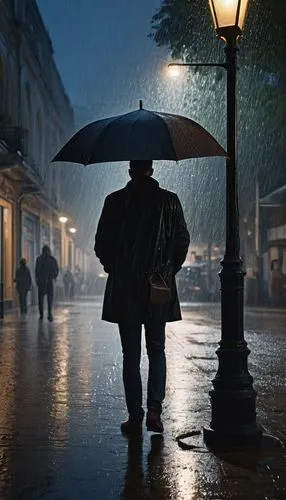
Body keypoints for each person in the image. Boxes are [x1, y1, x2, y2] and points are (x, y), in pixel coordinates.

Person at [94, 160, 190, 434]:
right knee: (157, 349)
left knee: (130, 354)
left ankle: (135, 415)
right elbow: (182, 240)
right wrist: (167, 270)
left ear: (130, 170)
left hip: (125, 290)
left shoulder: (115, 201)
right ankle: (155, 411)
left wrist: (115, 267)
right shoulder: (169, 202)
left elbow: (101, 244)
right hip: (156, 288)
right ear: (151, 169)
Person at [35, 245, 59, 321]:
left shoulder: (39, 259)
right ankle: (49, 313)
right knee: (50, 298)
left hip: (42, 281)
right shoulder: (52, 259)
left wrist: (38, 278)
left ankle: (41, 314)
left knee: (40, 299)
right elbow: (56, 270)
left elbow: (37, 270)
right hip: (49, 281)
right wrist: (53, 276)